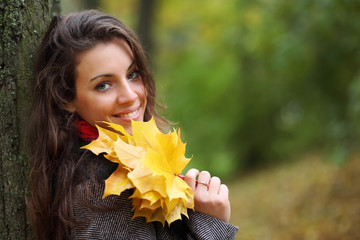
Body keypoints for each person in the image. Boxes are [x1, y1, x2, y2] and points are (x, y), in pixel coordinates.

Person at [26, 10, 238, 240]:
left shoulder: (129, 159)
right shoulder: (104, 191)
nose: (130, 96)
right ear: (66, 99)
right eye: (103, 85)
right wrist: (212, 224)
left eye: (133, 74)